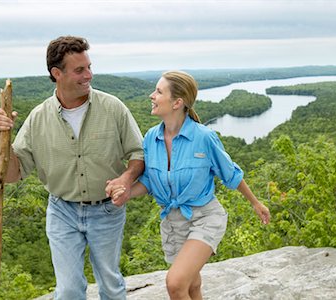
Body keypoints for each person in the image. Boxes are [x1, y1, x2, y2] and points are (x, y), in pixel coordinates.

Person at [0, 36, 144, 300]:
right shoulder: (39, 118)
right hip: (62, 211)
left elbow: (137, 153)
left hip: (107, 209)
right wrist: (3, 139)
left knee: (110, 283)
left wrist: (126, 178)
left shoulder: (113, 107)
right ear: (56, 73)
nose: (89, 75)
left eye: (89, 67)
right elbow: (14, 174)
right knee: (69, 290)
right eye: (80, 70)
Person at [106, 70, 270, 300]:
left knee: (175, 284)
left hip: (205, 217)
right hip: (173, 223)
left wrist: (255, 203)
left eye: (158, 91)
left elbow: (230, 173)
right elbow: (150, 181)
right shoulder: (151, 138)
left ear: (177, 102)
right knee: (191, 285)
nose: (151, 96)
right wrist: (126, 193)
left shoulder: (203, 137)